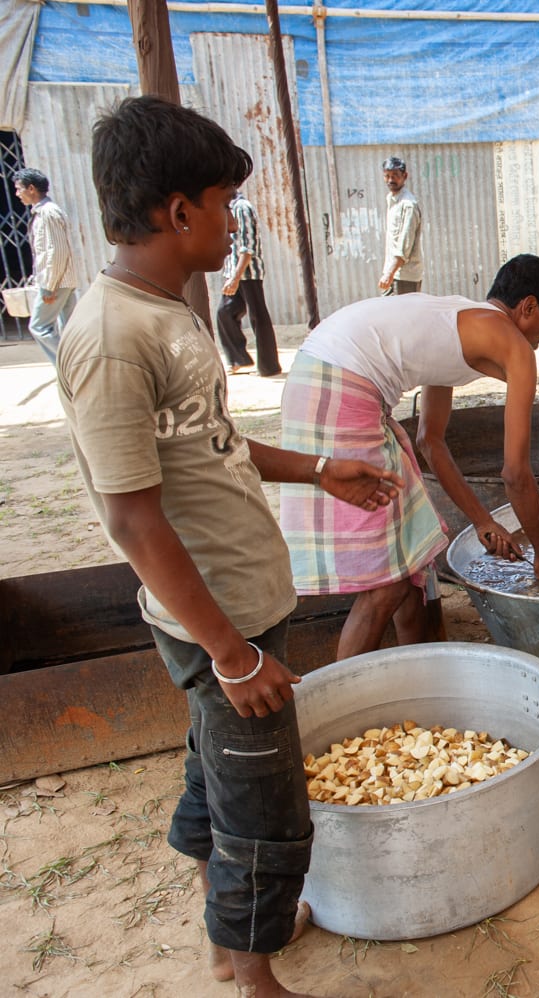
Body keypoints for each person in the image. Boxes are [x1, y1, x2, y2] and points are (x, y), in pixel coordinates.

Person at [57, 95, 401, 998]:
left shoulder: (166, 311)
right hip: (219, 623)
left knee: (218, 768)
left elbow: (209, 445)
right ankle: (255, 975)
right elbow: (132, 518)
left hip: (240, 609)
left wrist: (317, 469)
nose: (230, 221)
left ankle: (221, 928)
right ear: (180, 213)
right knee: (264, 805)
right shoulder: (112, 338)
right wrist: (233, 654)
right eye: (223, 204)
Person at [280, 254, 539, 660]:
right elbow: (515, 473)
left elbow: (430, 441)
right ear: (529, 306)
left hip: (317, 373)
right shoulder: (514, 345)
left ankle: (423, 669)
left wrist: (483, 520)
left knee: (413, 557)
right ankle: (341, 690)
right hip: (340, 385)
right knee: (389, 583)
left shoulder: (458, 323)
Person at [13, 167, 77, 366]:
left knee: (39, 327)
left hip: (57, 282)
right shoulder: (44, 212)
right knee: (68, 329)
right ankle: (77, 367)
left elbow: (57, 251)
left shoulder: (48, 212)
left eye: (19, 189)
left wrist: (50, 286)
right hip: (61, 280)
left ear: (31, 188)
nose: (17, 194)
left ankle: (69, 367)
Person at [216, 188, 282, 377]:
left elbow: (248, 247)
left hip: (248, 273)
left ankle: (269, 366)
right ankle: (239, 359)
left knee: (258, 317)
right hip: (235, 274)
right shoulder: (231, 208)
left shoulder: (242, 208)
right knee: (225, 313)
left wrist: (235, 277)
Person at [378, 155, 423, 295]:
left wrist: (389, 274)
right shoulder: (392, 200)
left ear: (405, 176)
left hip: (405, 276)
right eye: (387, 176)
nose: (390, 180)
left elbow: (404, 246)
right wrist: (389, 272)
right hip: (393, 273)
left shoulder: (408, 205)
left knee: (404, 310)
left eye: (395, 176)